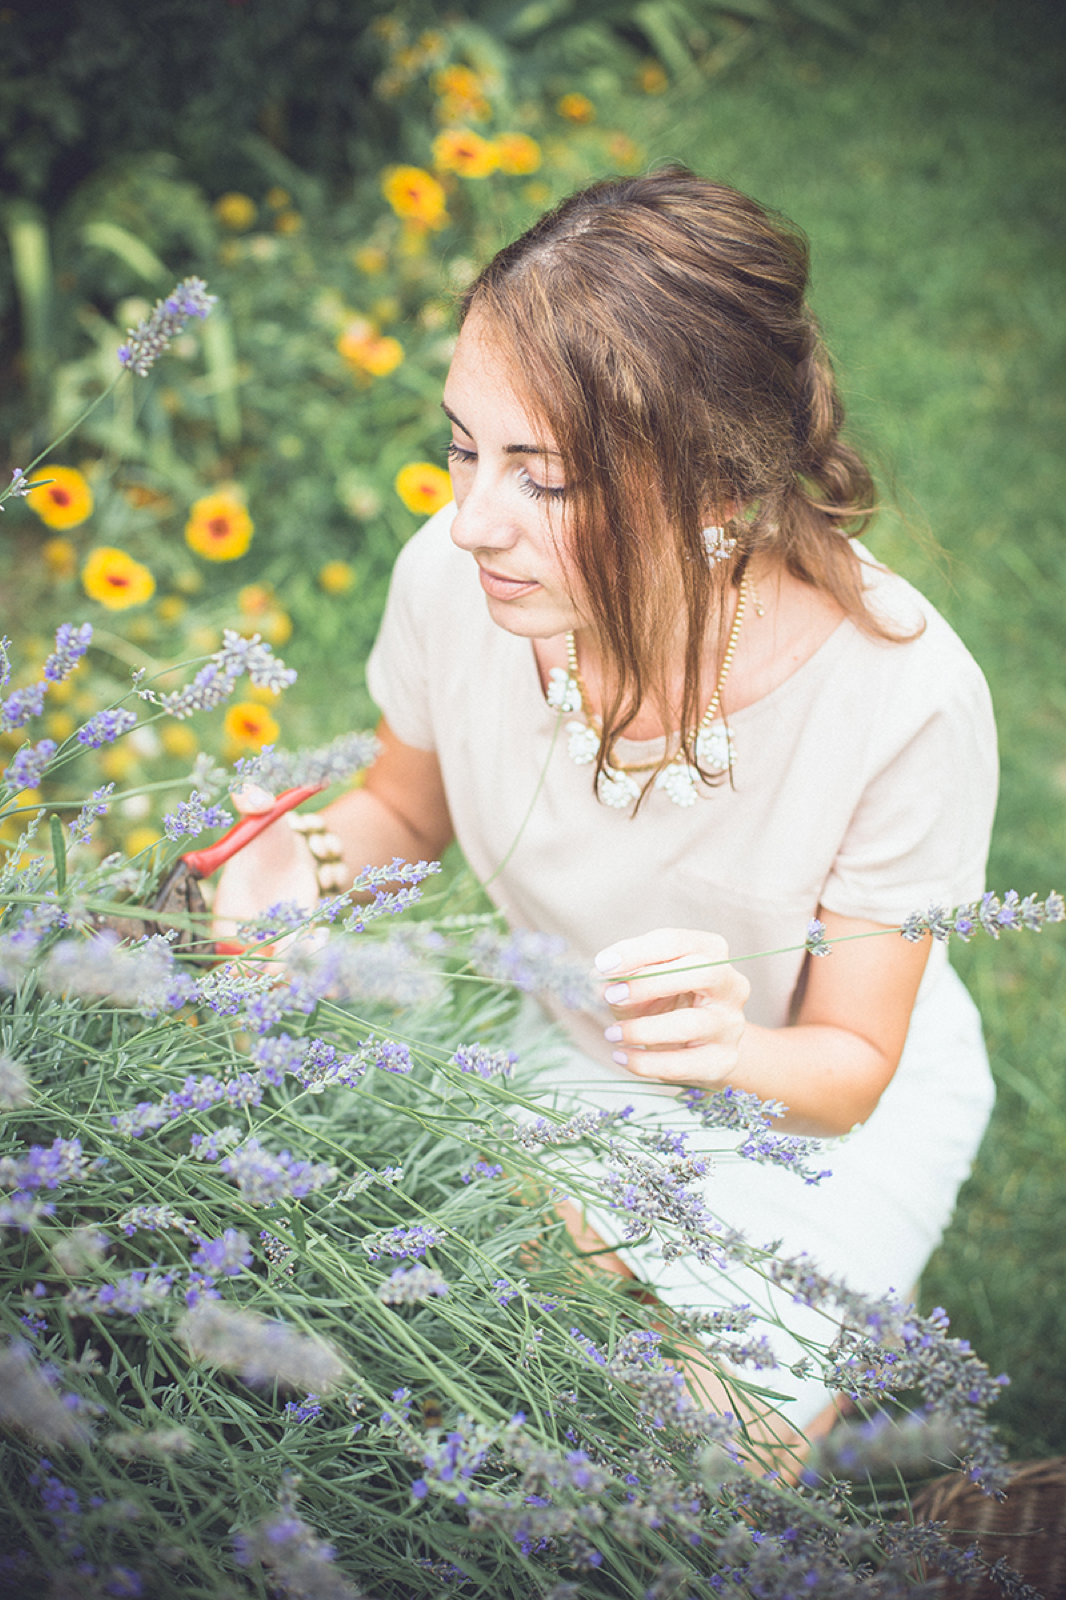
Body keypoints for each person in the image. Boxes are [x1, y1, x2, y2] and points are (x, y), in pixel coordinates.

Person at [215, 166, 997, 1470]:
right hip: (573, 1045)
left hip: (797, 1095)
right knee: (420, 1376)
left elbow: (850, 1065)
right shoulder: (450, 579)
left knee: (699, 1472)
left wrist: (728, 1050)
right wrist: (300, 868)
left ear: (715, 490)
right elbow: (405, 805)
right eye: (465, 448)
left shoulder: (903, 698)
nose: (470, 524)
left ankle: (813, 1324)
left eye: (547, 479)